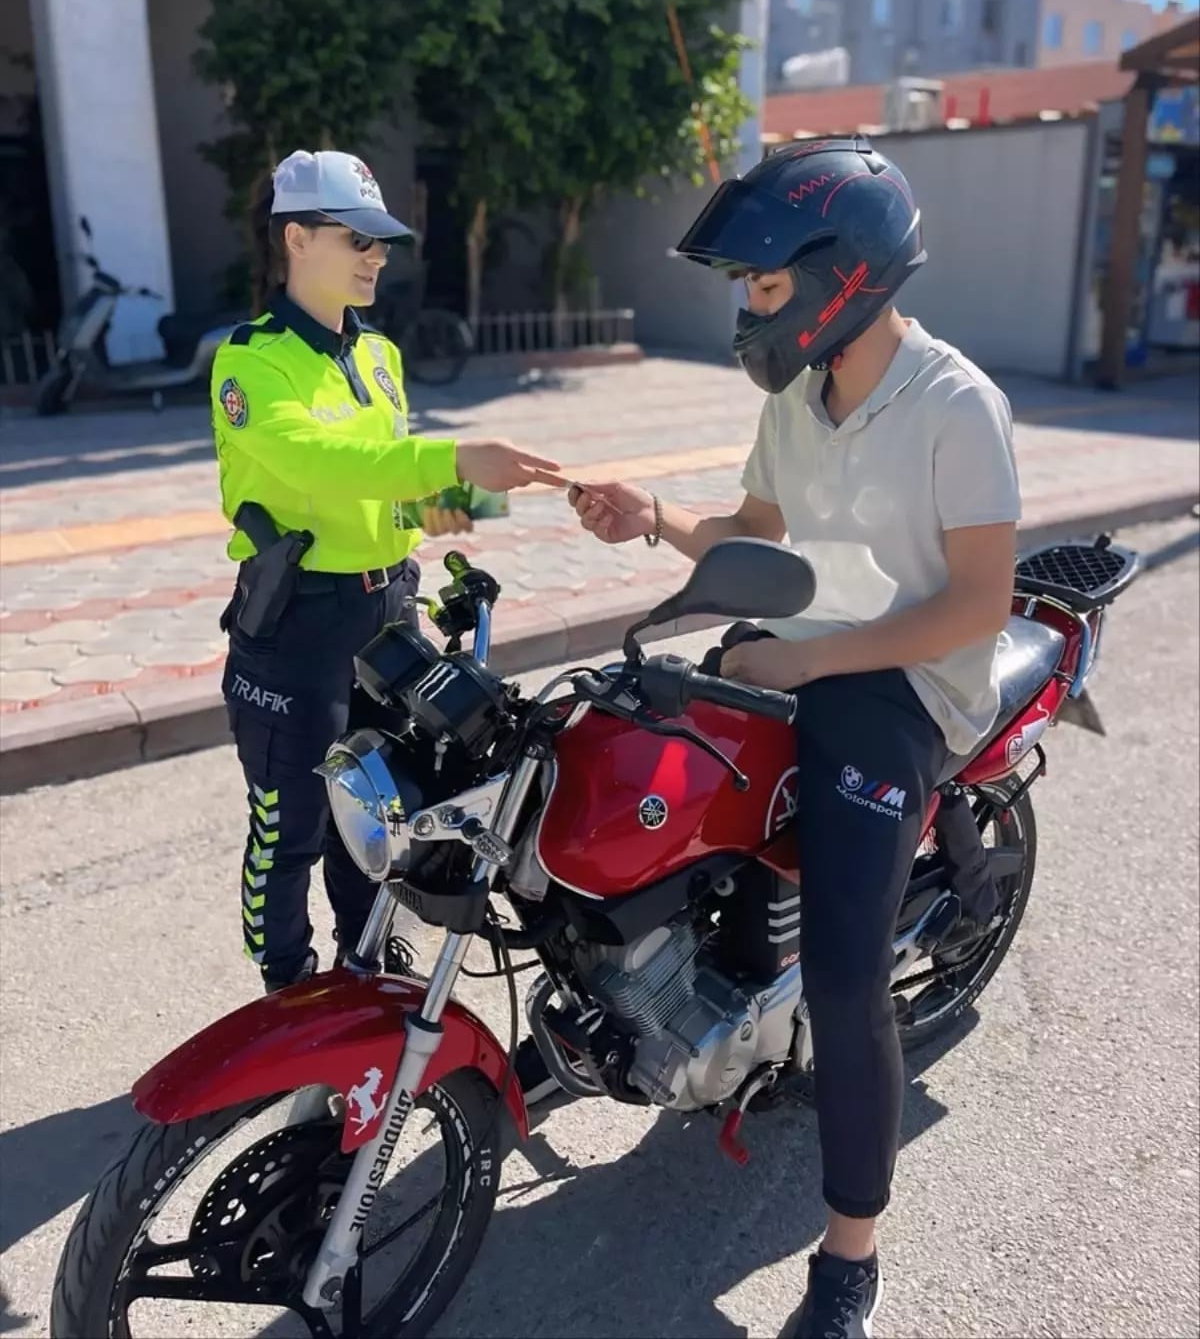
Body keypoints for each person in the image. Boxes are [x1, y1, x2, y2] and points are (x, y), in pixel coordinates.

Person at [564, 137, 1021, 1339]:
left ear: (844, 279)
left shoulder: (956, 404)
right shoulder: (798, 398)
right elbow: (755, 531)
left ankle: (850, 1258)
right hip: (795, 651)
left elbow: (978, 602)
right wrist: (650, 517)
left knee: (846, 968)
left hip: (902, 688)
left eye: (764, 283)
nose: (747, 306)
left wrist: (814, 659)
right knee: (638, 773)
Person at [212, 148, 561, 993]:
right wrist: (458, 452)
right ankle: (287, 985)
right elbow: (323, 466)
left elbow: (396, 492)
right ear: (297, 238)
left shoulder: (379, 357)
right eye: (357, 238)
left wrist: (481, 505)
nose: (378, 256)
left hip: (386, 617)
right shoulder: (250, 363)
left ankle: (362, 959)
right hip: (298, 626)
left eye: (382, 241)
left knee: (376, 809)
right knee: (289, 824)